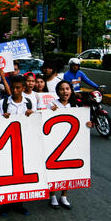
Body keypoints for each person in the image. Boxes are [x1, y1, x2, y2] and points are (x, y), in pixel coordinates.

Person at [46, 80, 93, 210]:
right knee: (54, 171)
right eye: (61, 89)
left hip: (71, 145)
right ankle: (53, 196)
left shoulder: (76, 107)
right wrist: (50, 111)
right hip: (55, 144)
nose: (65, 91)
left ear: (71, 90)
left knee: (68, 171)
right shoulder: (51, 104)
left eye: (67, 89)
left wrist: (88, 124)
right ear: (57, 91)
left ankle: (64, 196)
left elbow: (82, 123)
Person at [0, 75, 36, 216]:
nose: (15, 90)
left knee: (21, 174)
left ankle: (19, 203)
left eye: (18, 87)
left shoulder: (29, 103)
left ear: (23, 88)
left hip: (24, 143)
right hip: (6, 144)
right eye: (13, 87)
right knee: (7, 173)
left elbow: (36, 123)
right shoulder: (3, 103)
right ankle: (6, 204)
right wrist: (2, 119)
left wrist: (32, 115)